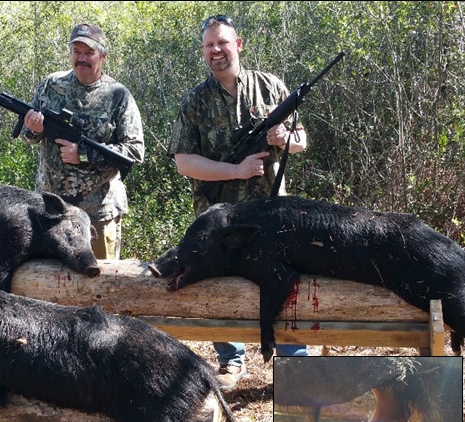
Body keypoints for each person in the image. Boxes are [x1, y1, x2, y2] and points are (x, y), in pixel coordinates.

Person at [168, 14, 308, 388]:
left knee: (284, 278)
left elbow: (302, 141)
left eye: (223, 43)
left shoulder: (271, 87)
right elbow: (184, 162)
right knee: (216, 283)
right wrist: (236, 171)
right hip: (218, 221)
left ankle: (294, 361)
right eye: (209, 45)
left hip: (271, 214)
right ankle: (232, 361)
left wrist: (283, 140)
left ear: (238, 44)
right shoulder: (194, 101)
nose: (216, 51)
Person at [21, 23, 145, 259]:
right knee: (47, 282)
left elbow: (134, 151)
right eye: (76, 52)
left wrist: (84, 155)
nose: (82, 58)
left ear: (103, 56)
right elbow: (29, 138)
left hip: (98, 212)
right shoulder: (51, 85)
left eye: (89, 52)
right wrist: (33, 129)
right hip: (51, 210)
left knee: (101, 282)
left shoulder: (118, 95)